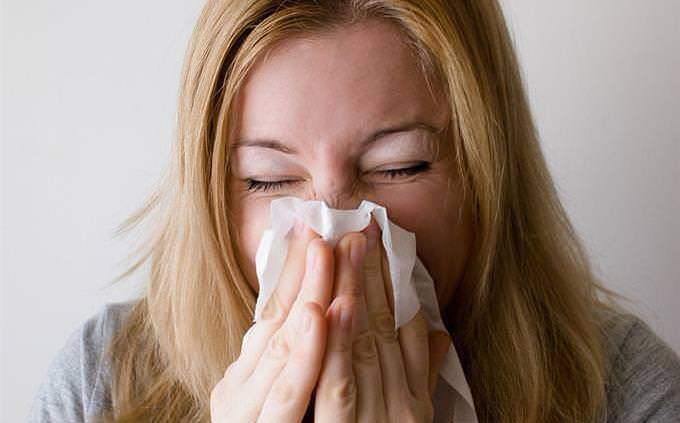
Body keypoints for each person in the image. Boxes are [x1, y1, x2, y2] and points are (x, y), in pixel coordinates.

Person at [30, 1, 680, 422]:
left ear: (485, 175)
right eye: (267, 178)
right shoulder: (103, 383)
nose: (333, 229)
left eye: (401, 166)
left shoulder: (622, 388)